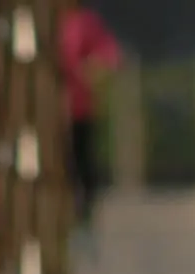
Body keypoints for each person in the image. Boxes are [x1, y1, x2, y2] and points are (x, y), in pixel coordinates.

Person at [58, 1, 124, 229]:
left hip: (80, 105)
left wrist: (93, 69)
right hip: (55, 109)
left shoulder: (85, 23)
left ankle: (84, 205)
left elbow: (110, 54)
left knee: (82, 155)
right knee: (66, 158)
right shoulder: (53, 22)